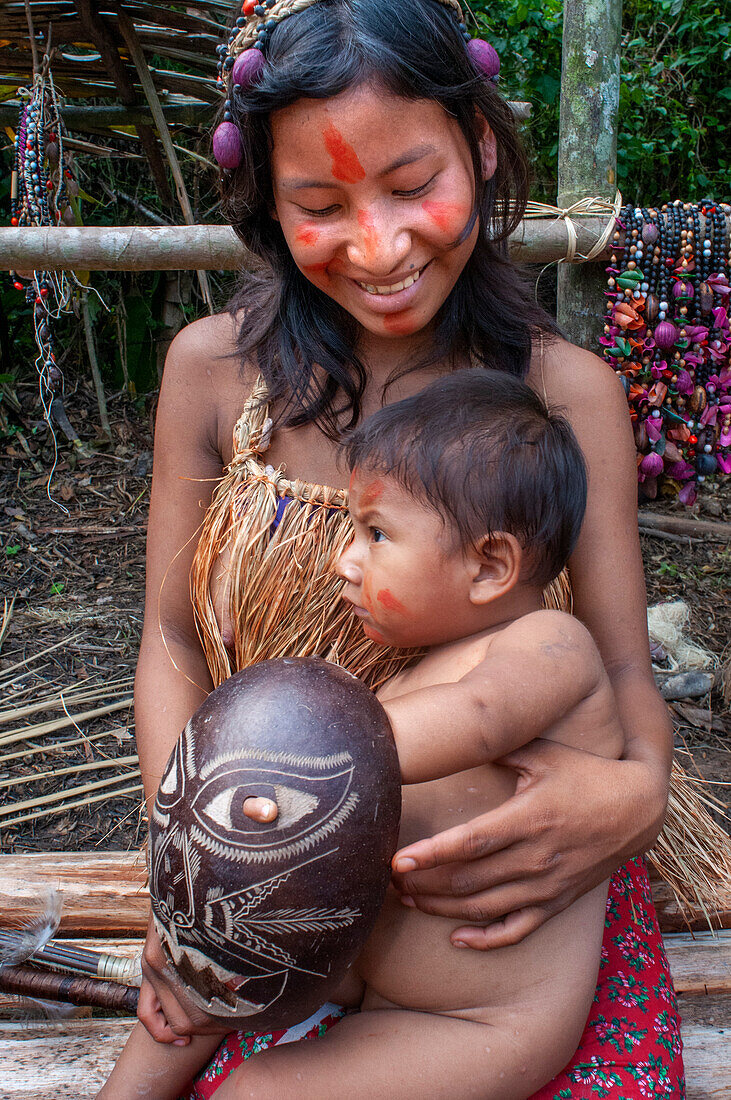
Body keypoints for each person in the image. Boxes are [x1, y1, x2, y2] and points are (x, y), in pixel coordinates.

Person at [129, 0, 685, 1094]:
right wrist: (193, 863)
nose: (378, 245)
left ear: (479, 150)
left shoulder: (565, 394)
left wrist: (634, 799)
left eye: (408, 183)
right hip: (265, 879)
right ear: (264, 201)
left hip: (497, 922)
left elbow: (622, 669)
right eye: (320, 204)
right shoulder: (210, 373)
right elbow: (168, 639)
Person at [100, 369, 629, 1099]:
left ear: (490, 565)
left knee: (259, 1092)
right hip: (360, 974)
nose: (343, 561)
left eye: (375, 534)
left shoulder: (549, 646)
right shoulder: (409, 674)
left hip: (477, 1021)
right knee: (213, 976)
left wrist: (287, 760)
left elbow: (479, 718)